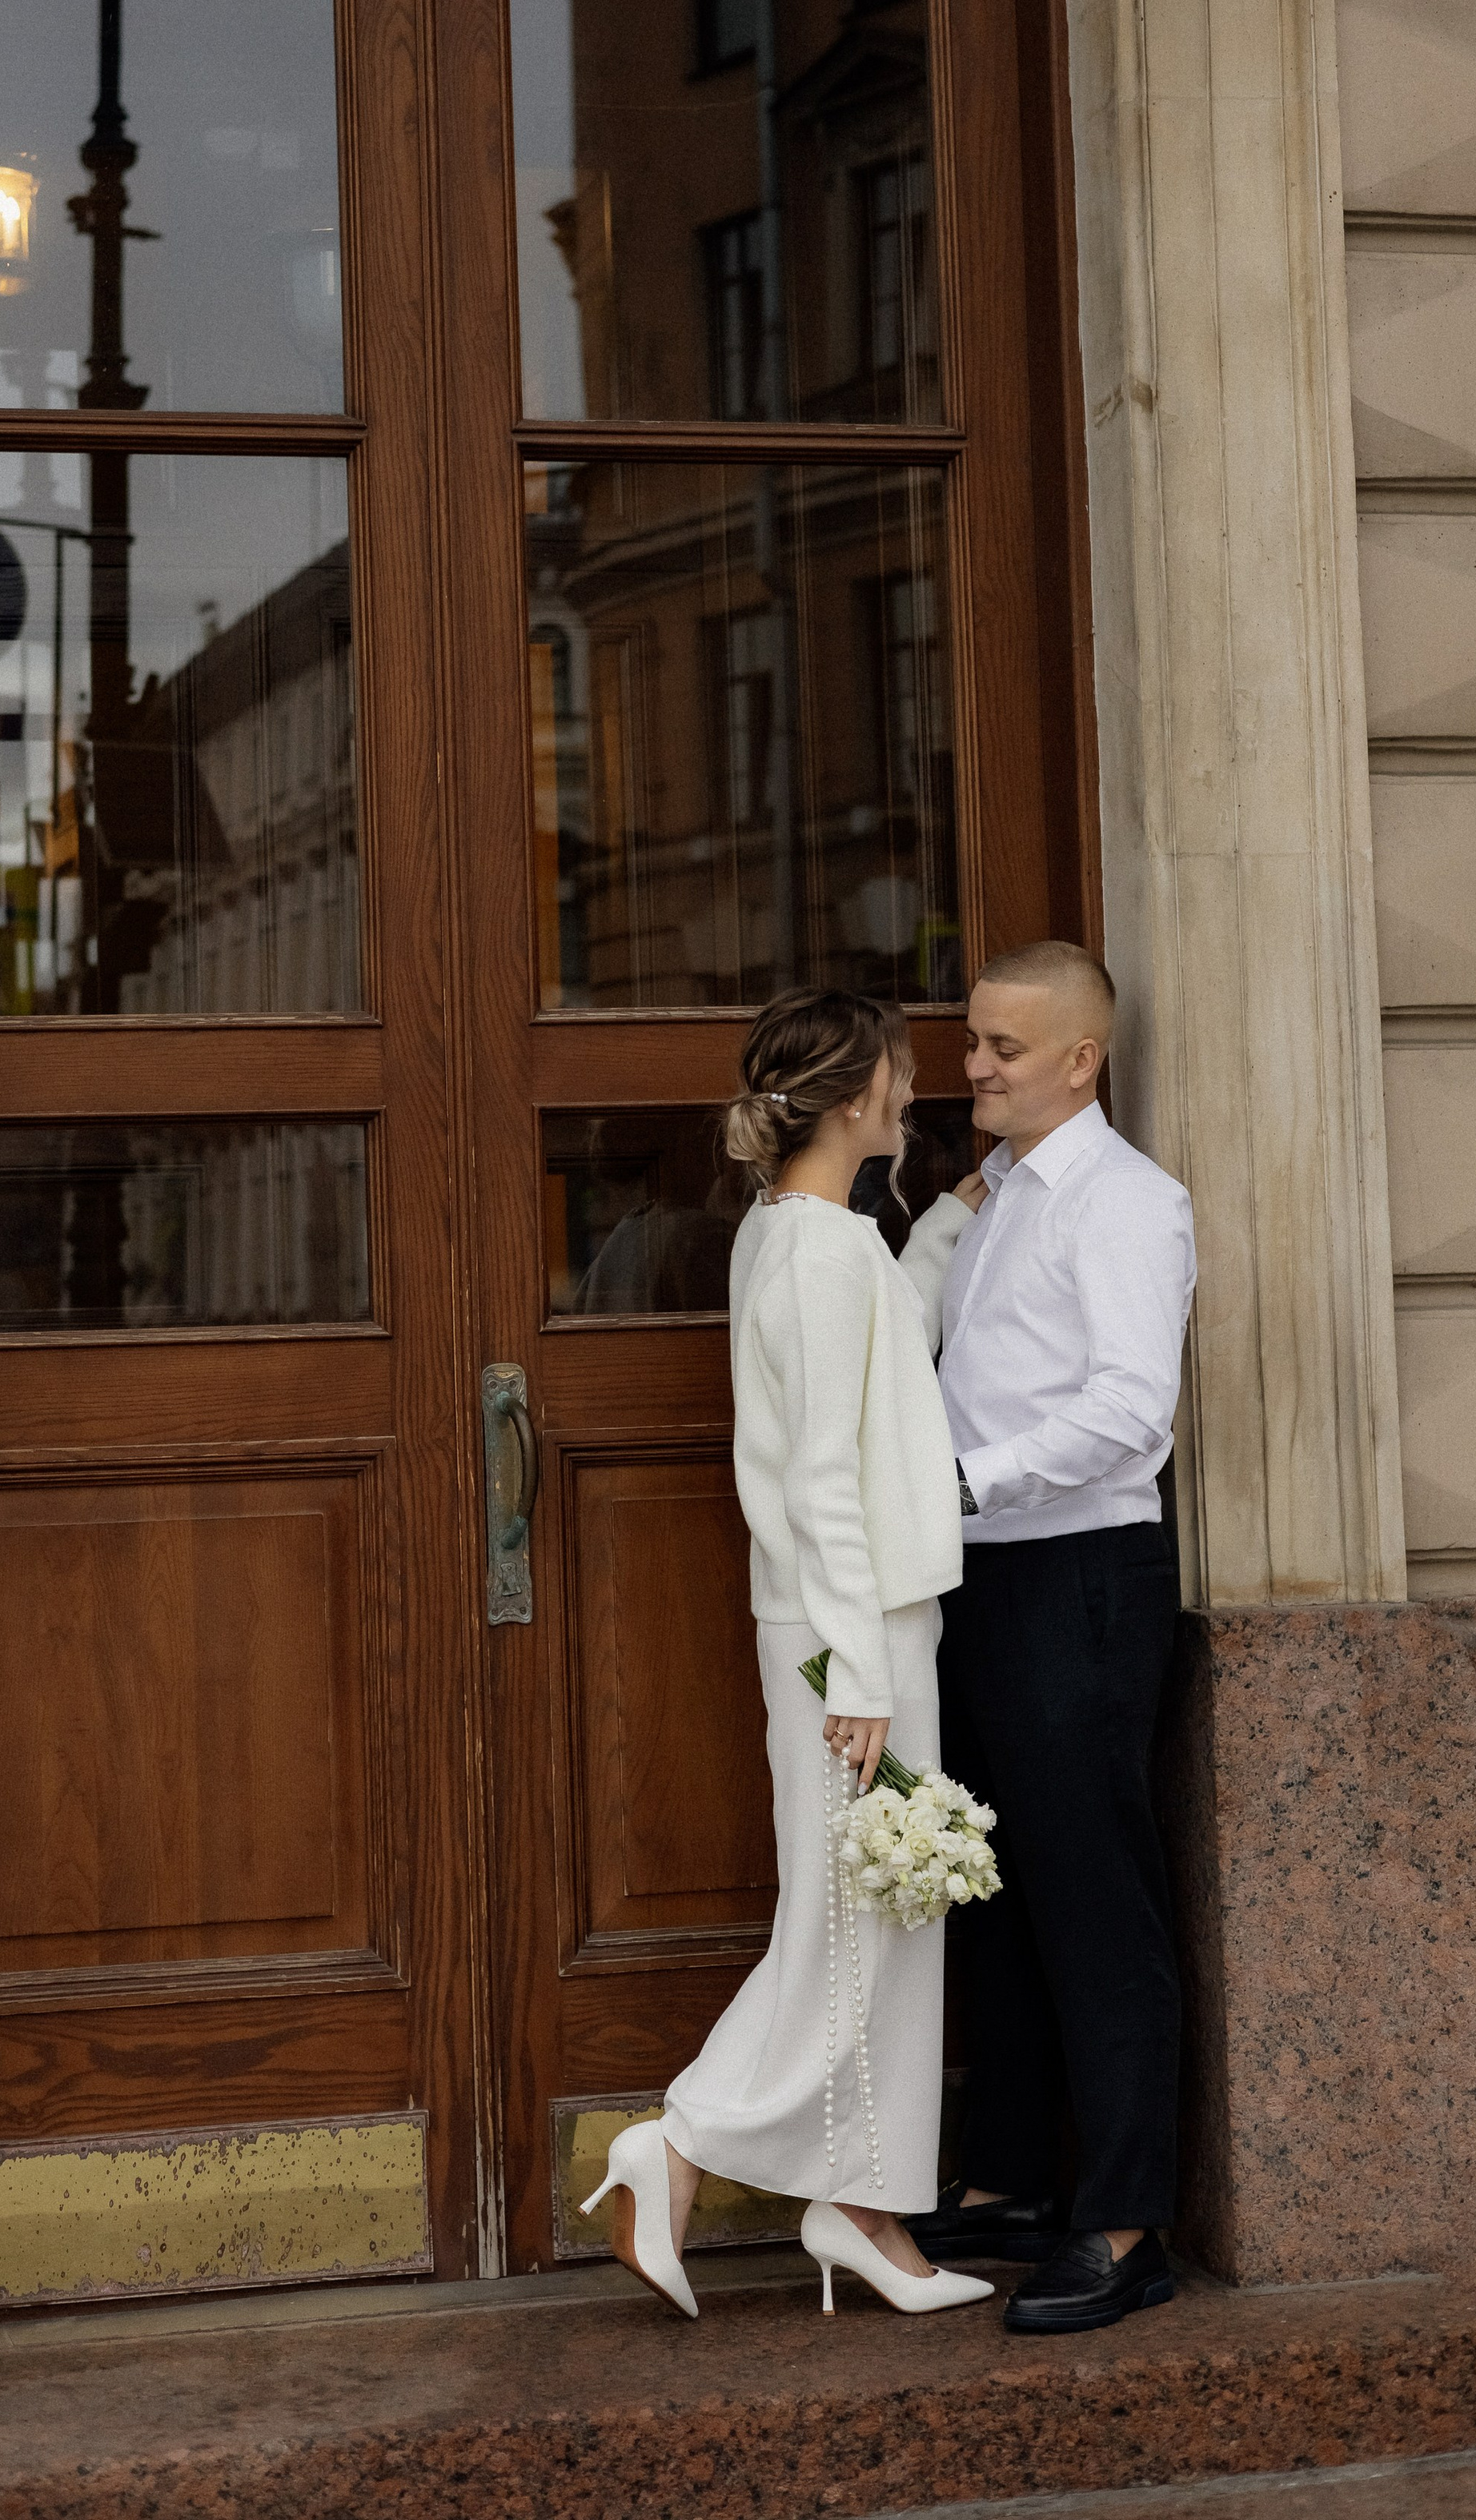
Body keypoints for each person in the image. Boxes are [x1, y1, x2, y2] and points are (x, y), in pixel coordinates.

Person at [580, 985, 993, 2324]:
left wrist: (935, 1231)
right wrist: (863, 1677)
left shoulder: (807, 1233)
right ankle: (688, 2143)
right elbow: (822, 1477)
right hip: (844, 1639)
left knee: (881, 1921)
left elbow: (879, 1356)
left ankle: (860, 2203)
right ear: (857, 1098)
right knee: (847, 1924)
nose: (918, 1089)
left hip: (851, 1626)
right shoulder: (813, 1251)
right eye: (903, 1072)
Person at [902, 940, 1197, 2336]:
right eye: (971, 1043)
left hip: (1081, 1577)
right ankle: (1017, 2184)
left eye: (1004, 1048)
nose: (975, 1067)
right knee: (1000, 1901)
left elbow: (1134, 1410)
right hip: (984, 1581)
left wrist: (965, 1485)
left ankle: (1127, 2222)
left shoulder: (1130, 1205)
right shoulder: (1002, 1193)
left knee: (1094, 1901)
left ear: (1082, 1059)